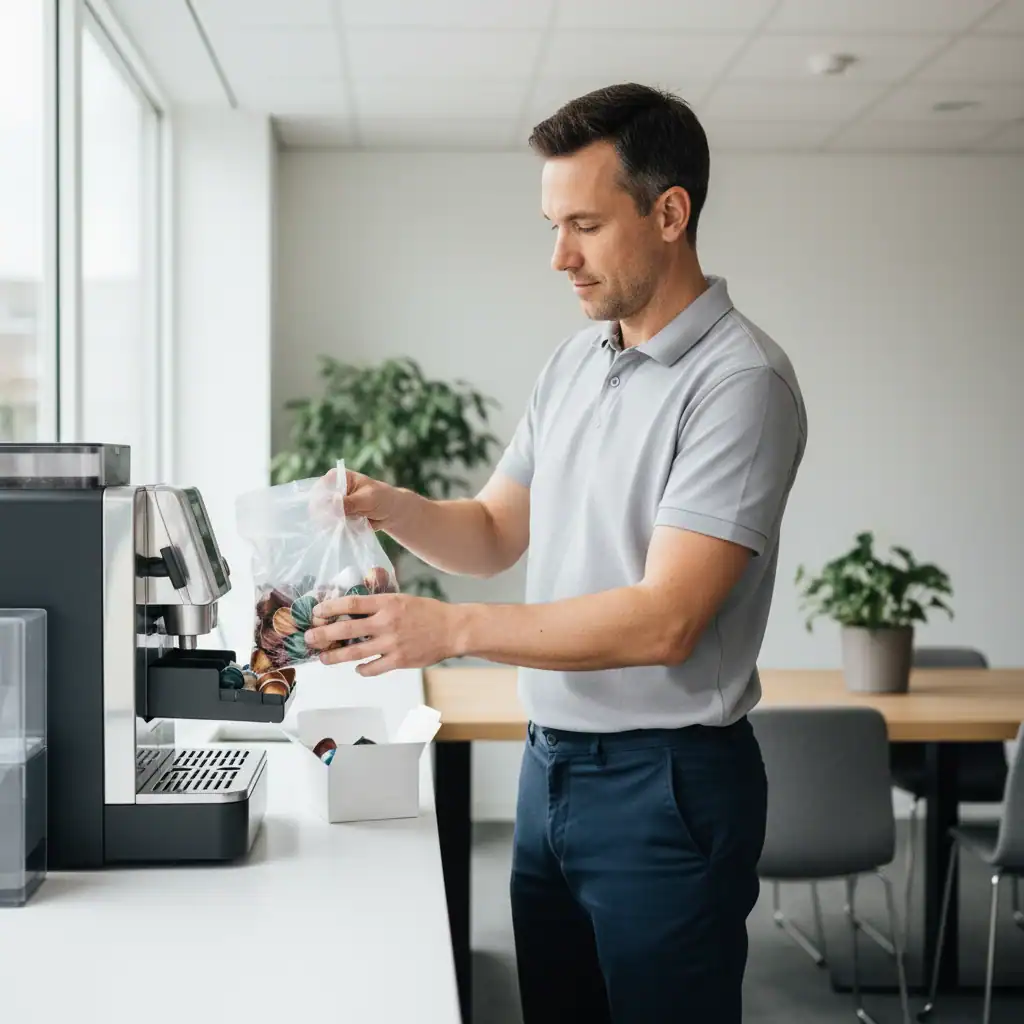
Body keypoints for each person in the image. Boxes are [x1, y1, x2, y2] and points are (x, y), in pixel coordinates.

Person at [304, 83, 808, 1024]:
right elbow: (495, 531)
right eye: (551, 224)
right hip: (551, 772)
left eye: (583, 224)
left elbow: (667, 621)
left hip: (669, 787)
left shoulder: (741, 385)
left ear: (669, 212)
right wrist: (389, 506)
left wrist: (451, 629)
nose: (558, 258)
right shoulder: (577, 360)